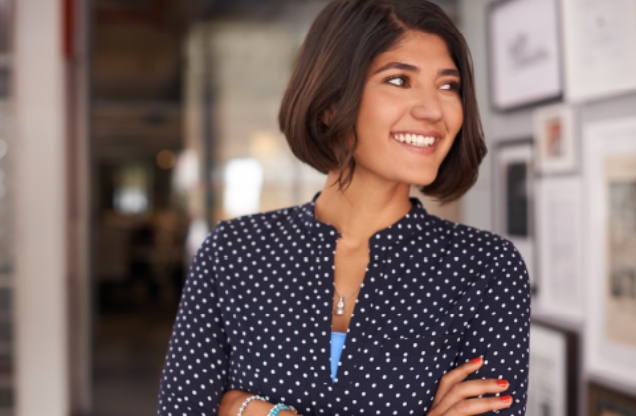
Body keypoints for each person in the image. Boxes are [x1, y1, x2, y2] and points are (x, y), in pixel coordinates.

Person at [158, 0, 531, 415]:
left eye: (448, 86)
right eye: (399, 80)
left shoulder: (486, 267)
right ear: (330, 103)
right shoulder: (234, 252)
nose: (432, 110)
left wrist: (242, 407)